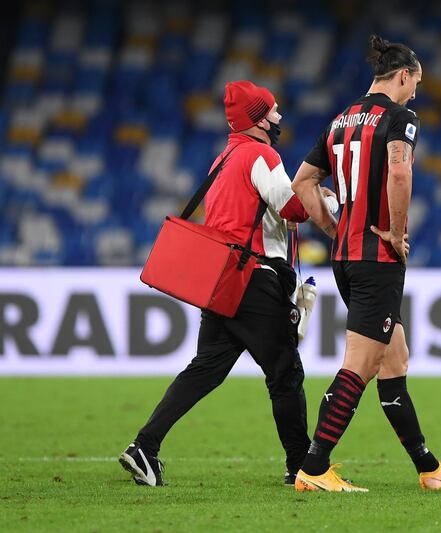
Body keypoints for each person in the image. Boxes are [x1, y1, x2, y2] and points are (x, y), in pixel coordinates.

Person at [119, 80, 335, 487]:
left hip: (222, 279)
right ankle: (302, 468)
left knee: (205, 370)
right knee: (285, 374)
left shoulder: (222, 160)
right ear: (256, 120)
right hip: (254, 279)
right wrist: (318, 199)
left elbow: (252, 215)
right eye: (272, 111)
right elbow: (292, 209)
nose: (279, 118)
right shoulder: (262, 154)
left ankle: (144, 446)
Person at [289, 34, 441, 492]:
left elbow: (303, 183)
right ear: (403, 76)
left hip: (346, 256)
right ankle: (314, 467)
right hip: (377, 257)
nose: (415, 92)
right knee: (358, 365)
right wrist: (397, 233)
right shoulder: (401, 118)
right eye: (415, 83)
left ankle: (428, 467)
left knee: (392, 360)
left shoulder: (340, 120)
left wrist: (334, 230)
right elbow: (400, 172)